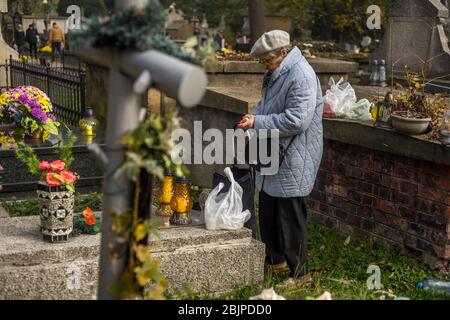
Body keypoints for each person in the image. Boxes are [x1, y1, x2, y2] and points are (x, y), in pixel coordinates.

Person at [238, 30, 324, 283]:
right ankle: (275, 262)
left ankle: (301, 275)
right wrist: (253, 115)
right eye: (262, 61)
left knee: (290, 216)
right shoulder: (278, 72)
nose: (264, 65)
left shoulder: (301, 75)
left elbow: (297, 120)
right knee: (267, 208)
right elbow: (268, 104)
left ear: (283, 53)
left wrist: (258, 122)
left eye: (267, 60)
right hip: (275, 151)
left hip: (295, 153)